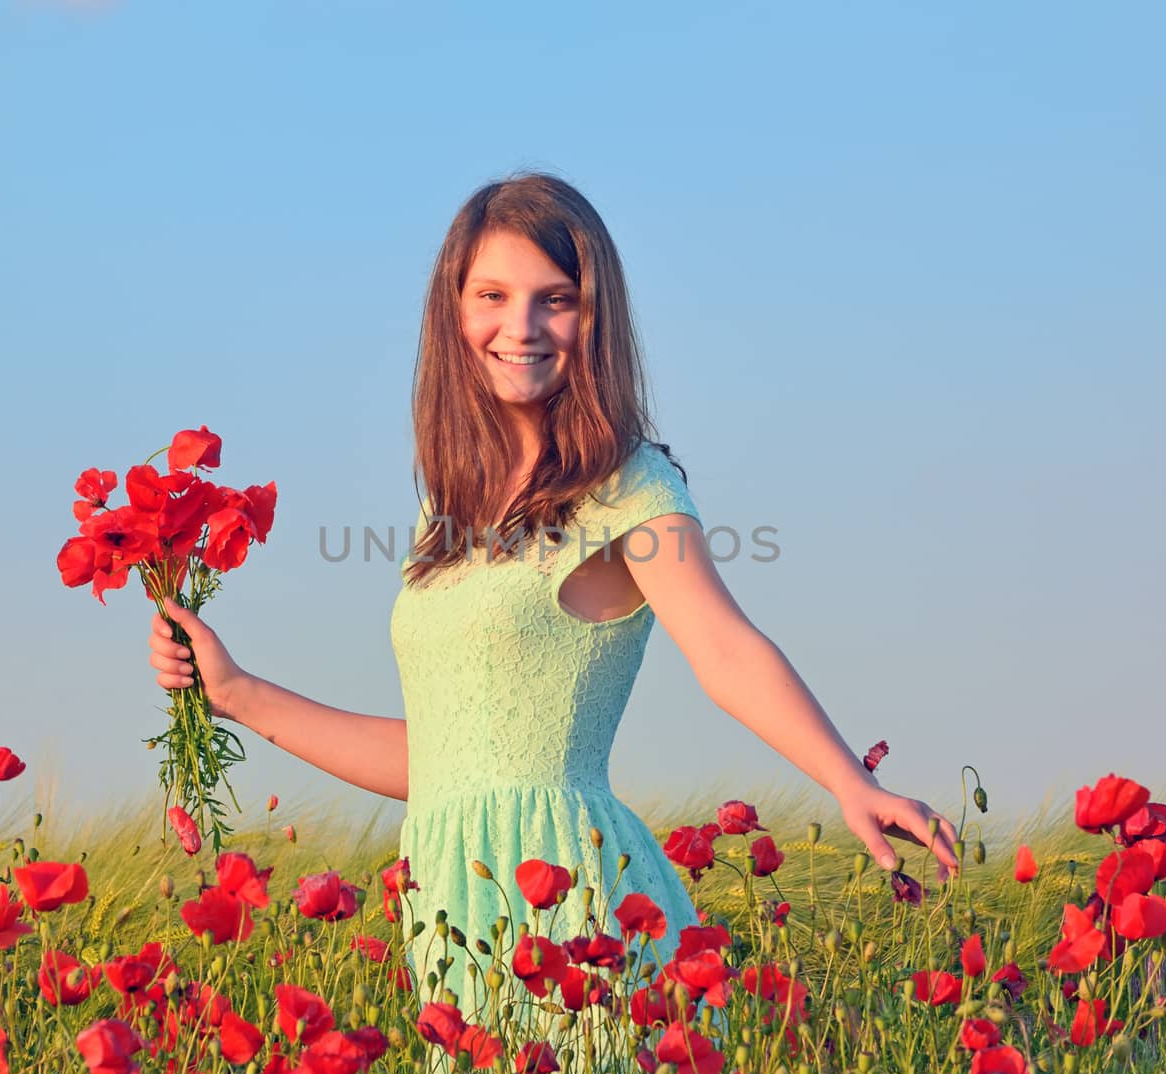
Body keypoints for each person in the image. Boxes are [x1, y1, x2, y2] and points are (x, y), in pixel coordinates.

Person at [148, 171, 960, 1025]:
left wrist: (846, 780)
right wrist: (235, 693)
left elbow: (724, 647)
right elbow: (452, 765)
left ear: (593, 318)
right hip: (455, 906)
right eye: (492, 294)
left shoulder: (627, 484)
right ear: (452, 312)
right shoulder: (448, 510)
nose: (521, 326)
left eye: (556, 299)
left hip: (573, 904)